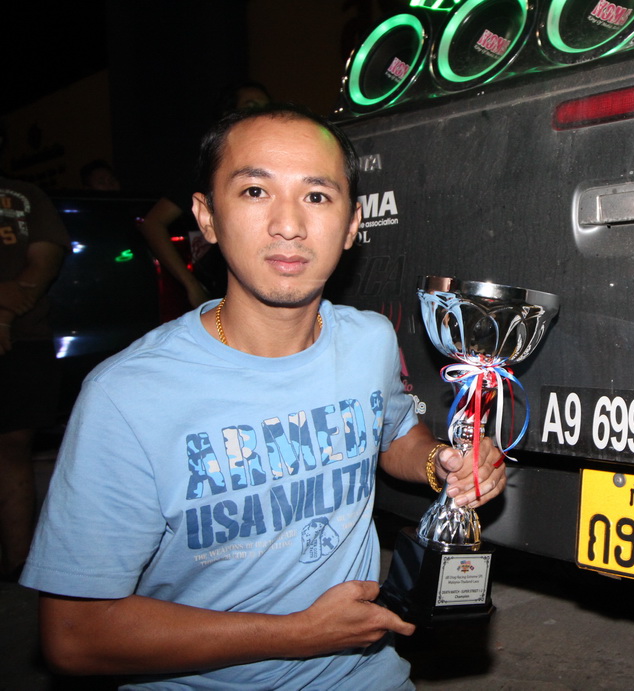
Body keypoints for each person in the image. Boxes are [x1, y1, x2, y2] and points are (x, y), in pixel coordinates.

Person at [20, 104, 505, 688]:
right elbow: (74, 636)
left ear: (353, 224)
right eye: (255, 191)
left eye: (317, 196)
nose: (289, 225)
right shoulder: (127, 395)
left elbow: (396, 434)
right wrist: (298, 633)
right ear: (207, 216)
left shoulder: (368, 340)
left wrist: (442, 462)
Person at [139, 81, 274, 312]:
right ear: (228, 115)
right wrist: (191, 285)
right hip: (226, 298)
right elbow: (152, 224)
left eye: (266, 107)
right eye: (251, 106)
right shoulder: (211, 168)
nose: (261, 113)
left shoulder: (277, 165)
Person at [0, 176, 70, 581]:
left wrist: (5, 314)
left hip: (23, 337)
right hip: (19, 331)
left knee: (11, 445)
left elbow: (46, 259)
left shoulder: (24, 195)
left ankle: (19, 563)